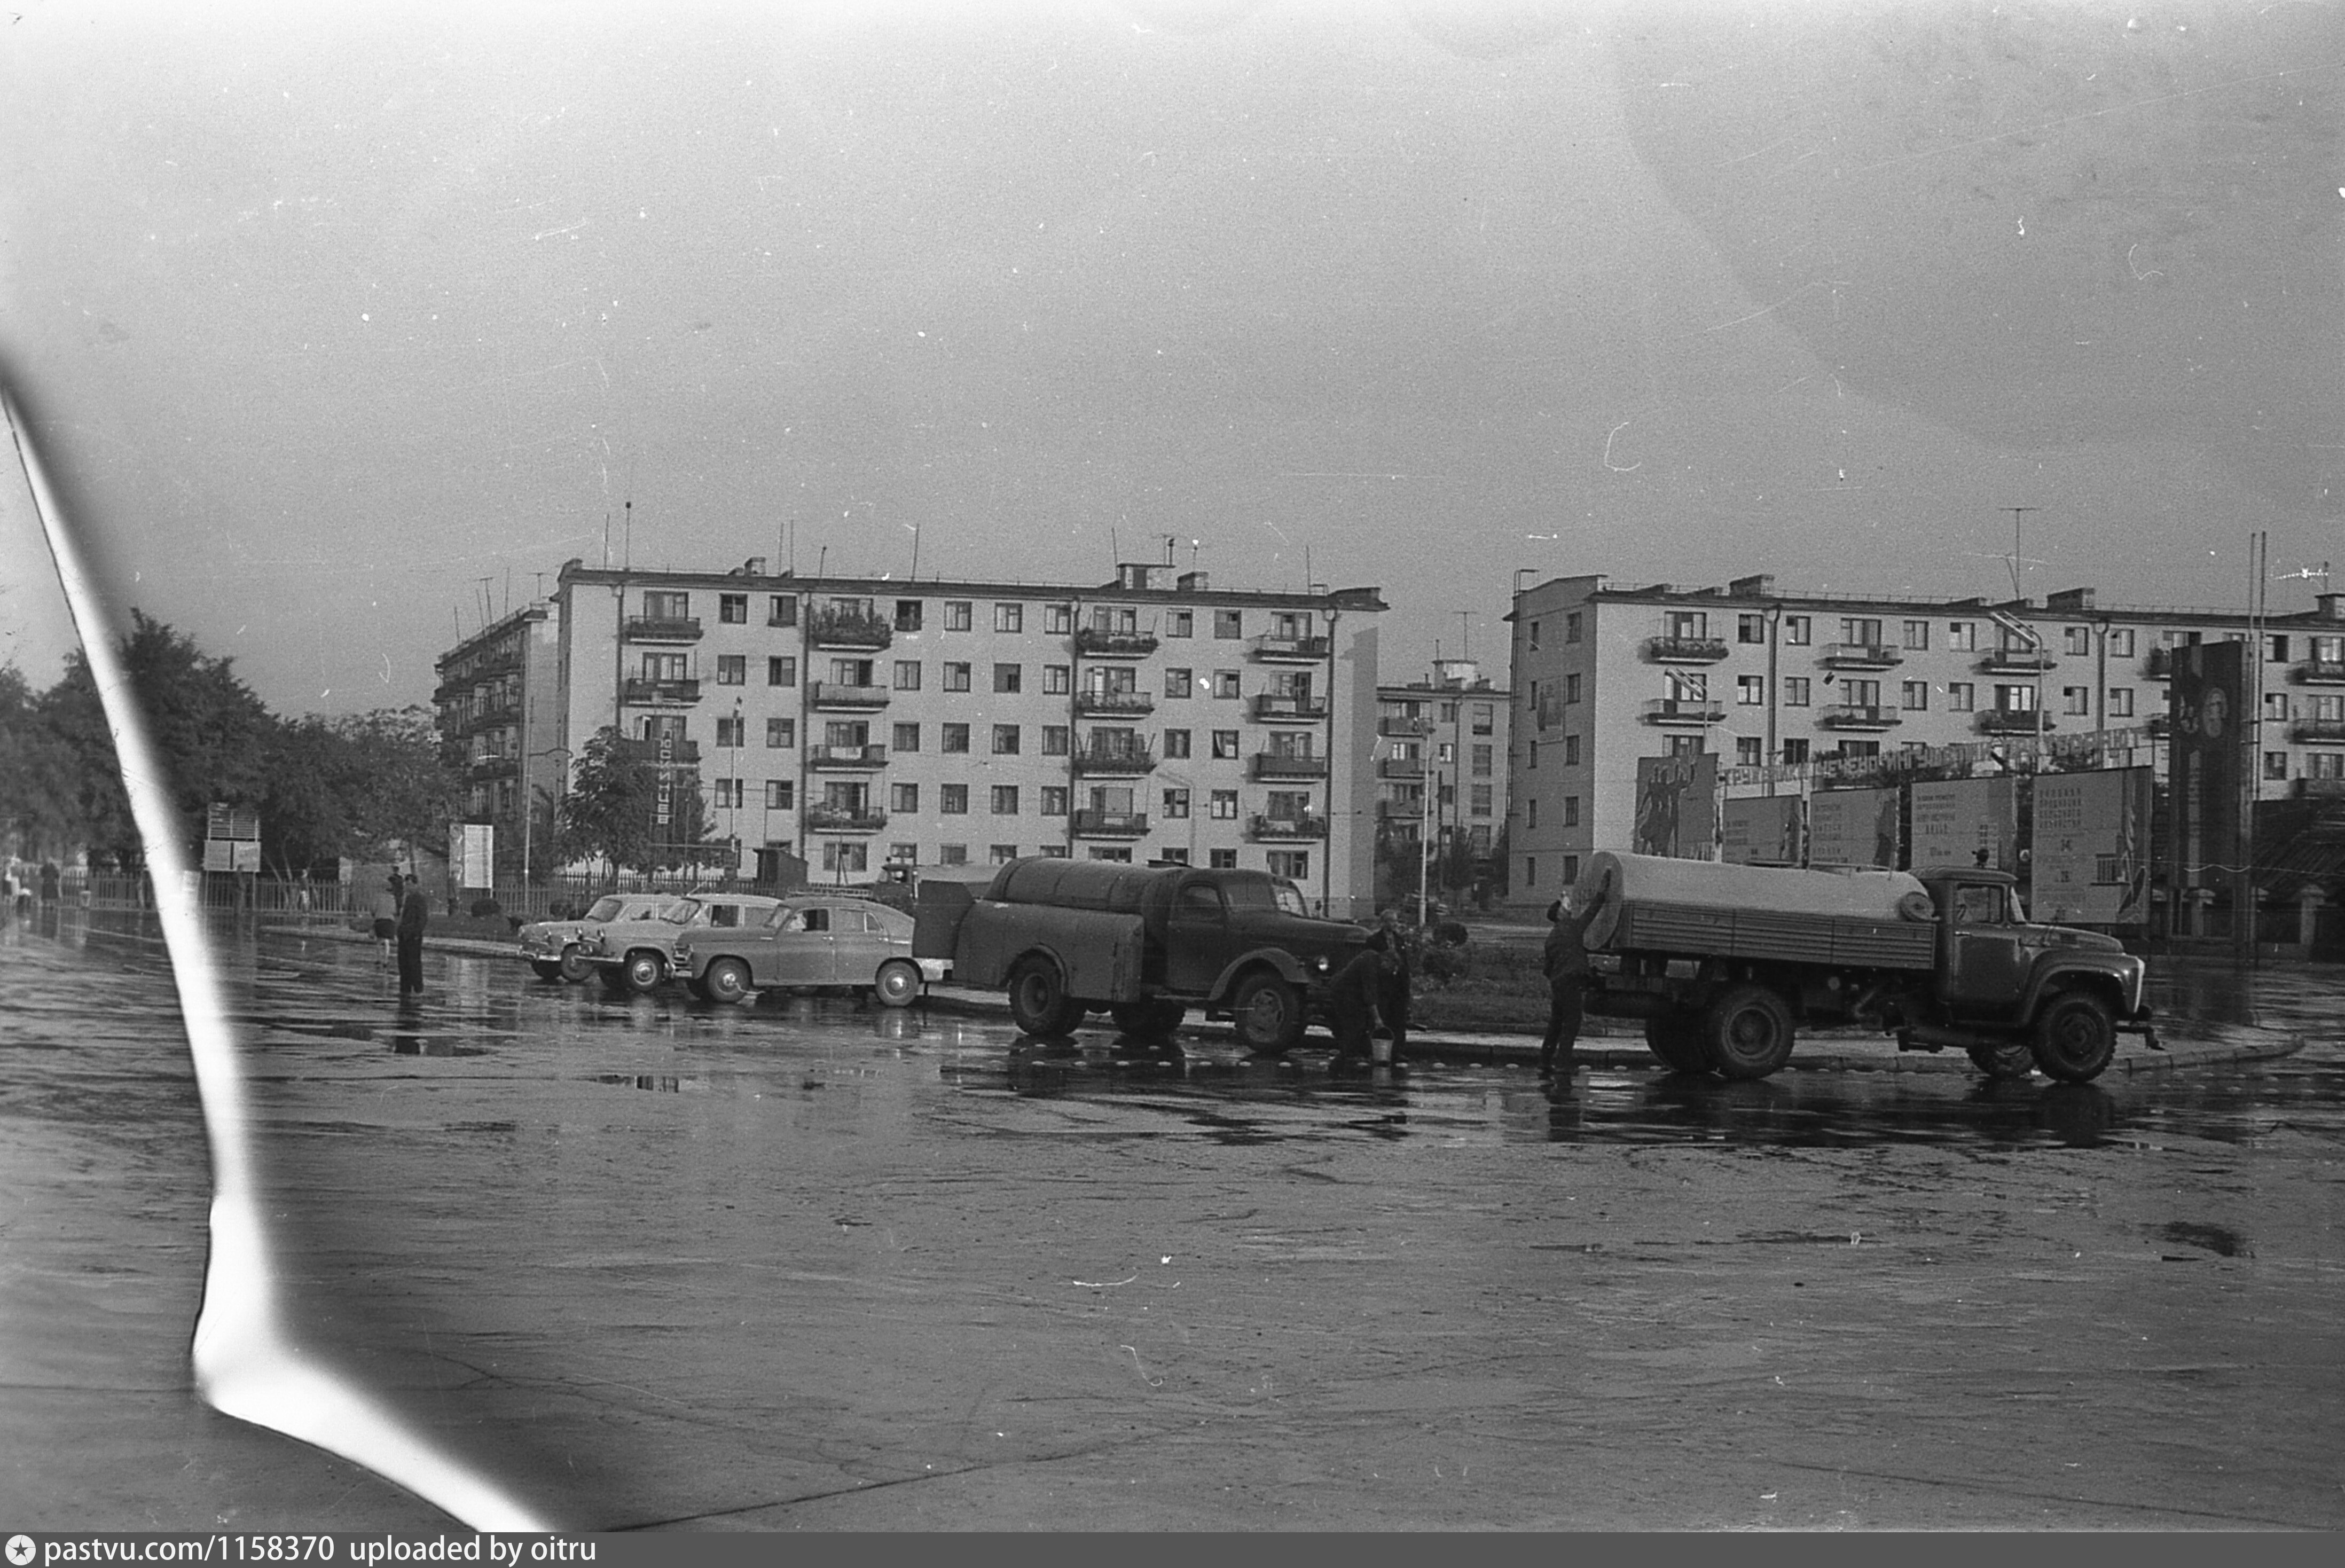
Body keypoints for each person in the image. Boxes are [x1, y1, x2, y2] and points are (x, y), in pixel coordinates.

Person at [1540, 890, 1597, 1078]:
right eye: (1564, 909)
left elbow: (1547, 969)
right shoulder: (1572, 927)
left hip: (1558, 983)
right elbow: (1590, 914)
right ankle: (1563, 1064)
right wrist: (1602, 895)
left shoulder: (1551, 938)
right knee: (1572, 1022)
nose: (1568, 910)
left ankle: (1545, 1062)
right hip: (1572, 980)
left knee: (1556, 1023)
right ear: (1559, 915)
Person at [1326, 939, 1387, 1064]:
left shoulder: (1372, 958)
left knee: (1360, 1023)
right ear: (1386, 960)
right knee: (1354, 1024)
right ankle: (1348, 1055)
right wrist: (1377, 1019)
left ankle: (1357, 1052)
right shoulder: (1370, 965)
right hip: (1344, 993)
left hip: (1351, 993)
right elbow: (1370, 994)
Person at [1373, 908, 1417, 1065]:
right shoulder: (1375, 940)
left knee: (1399, 1019)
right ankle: (1380, 1052)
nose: (1394, 924)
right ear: (1383, 923)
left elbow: (1405, 963)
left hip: (1398, 985)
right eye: (1391, 921)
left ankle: (1397, 1051)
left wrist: (1406, 984)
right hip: (1383, 985)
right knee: (1384, 1017)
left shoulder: (1399, 940)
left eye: (1395, 921)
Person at [396, 871, 429, 998]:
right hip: (404, 934)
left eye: (409, 885)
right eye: (406, 885)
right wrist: (400, 931)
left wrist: (416, 932)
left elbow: (422, 918)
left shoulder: (419, 899)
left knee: (413, 963)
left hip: (413, 935)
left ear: (415, 885)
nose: (407, 887)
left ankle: (417, 988)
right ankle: (405, 988)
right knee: (403, 963)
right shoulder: (408, 898)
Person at [370, 875, 401, 963]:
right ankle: (386, 960)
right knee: (387, 941)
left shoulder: (378, 897)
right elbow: (395, 911)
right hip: (389, 921)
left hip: (380, 920)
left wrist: (375, 914)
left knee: (379, 941)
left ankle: (379, 959)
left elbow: (373, 909)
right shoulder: (392, 898)